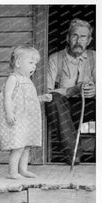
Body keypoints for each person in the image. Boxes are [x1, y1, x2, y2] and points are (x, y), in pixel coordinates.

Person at [46, 18, 96, 165]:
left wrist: (95, 89)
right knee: (53, 100)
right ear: (68, 38)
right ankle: (73, 154)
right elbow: (47, 92)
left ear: (89, 40)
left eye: (83, 37)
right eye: (75, 36)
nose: (78, 40)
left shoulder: (96, 57)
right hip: (65, 108)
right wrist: (72, 90)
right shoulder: (55, 59)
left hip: (90, 105)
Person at [0, 46, 52, 179]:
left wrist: (41, 98)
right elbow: (7, 97)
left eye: (35, 64)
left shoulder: (28, 81)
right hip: (17, 118)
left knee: (26, 146)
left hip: (28, 120)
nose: (34, 66)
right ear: (18, 63)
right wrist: (9, 113)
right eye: (30, 63)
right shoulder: (13, 79)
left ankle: (23, 170)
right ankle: (12, 172)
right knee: (18, 146)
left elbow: (30, 100)